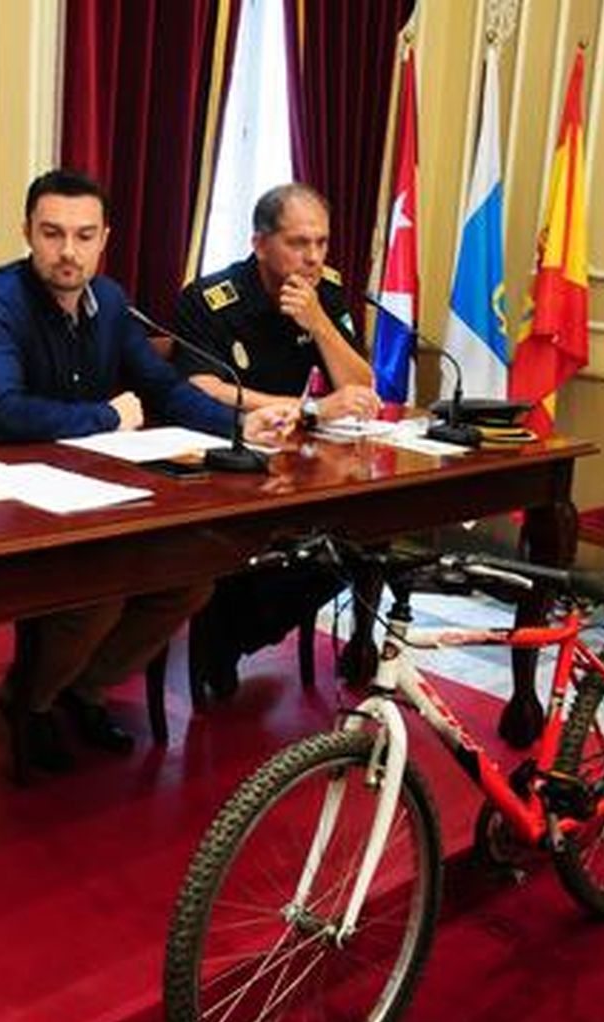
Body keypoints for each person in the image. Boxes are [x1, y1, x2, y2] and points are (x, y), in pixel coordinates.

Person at [0, 169, 293, 780]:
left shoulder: (110, 302)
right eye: (52, 233)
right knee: (101, 589)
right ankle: (31, 703)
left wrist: (239, 426)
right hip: (5, 495)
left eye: (84, 236)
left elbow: (163, 387)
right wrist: (106, 416)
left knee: (189, 579)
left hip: (93, 488)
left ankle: (81, 688)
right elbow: (1, 411)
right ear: (26, 233)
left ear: (104, 239)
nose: (68, 251)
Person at [172, 183, 379, 697]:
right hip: (225, 457)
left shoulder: (323, 293)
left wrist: (319, 324)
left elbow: (361, 387)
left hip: (295, 460)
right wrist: (306, 409)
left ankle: (234, 638)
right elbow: (202, 387)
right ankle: (222, 642)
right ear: (260, 243)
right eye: (298, 243)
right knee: (249, 549)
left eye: (321, 242)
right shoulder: (211, 298)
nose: (313, 257)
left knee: (359, 540)